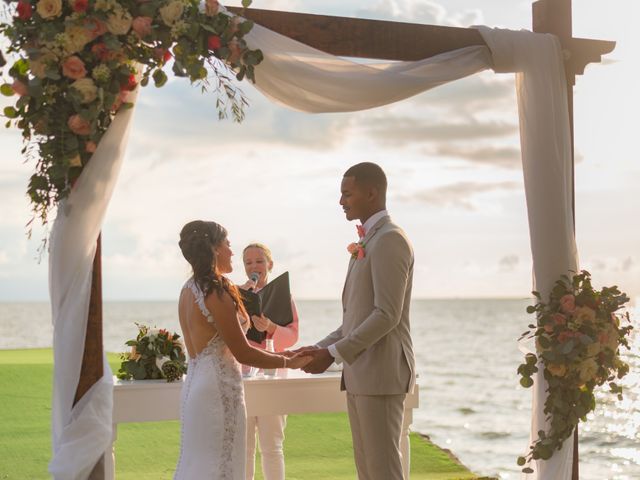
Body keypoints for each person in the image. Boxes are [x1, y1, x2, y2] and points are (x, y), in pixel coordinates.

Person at [296, 162, 416, 480]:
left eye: (346, 194)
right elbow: (354, 318)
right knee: (367, 470)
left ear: (371, 192)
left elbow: (387, 314)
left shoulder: (390, 239)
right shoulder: (368, 241)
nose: (341, 202)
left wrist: (333, 354)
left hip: (381, 375)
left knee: (383, 471)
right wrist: (319, 347)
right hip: (361, 375)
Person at [174, 220, 310, 480]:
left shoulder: (188, 289)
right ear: (214, 249)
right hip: (219, 389)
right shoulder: (217, 290)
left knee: (200, 464)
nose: (231, 251)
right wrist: (288, 362)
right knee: (224, 466)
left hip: (195, 386)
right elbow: (243, 352)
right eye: (227, 244)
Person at [239, 243, 300, 480]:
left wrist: (272, 328)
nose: (254, 266)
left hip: (273, 376)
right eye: (248, 262)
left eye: (259, 261)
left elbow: (293, 336)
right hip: (242, 376)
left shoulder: (285, 297)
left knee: (272, 445)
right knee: (243, 447)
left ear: (270, 265)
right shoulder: (236, 295)